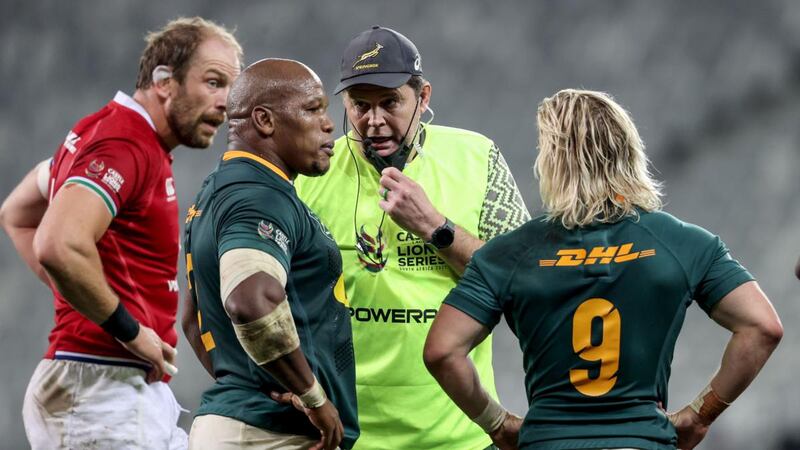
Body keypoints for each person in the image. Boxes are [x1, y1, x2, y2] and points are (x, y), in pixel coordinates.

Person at [423, 89, 783, 450]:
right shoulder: (683, 243)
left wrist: (497, 423)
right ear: (630, 151)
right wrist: (701, 414)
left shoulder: (511, 253)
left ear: (551, 161)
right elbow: (762, 327)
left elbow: (442, 351)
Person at [0, 17, 242, 449]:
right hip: (97, 389)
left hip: (108, 387)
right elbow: (56, 244)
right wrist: (128, 329)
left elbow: (17, 213)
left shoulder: (110, 134)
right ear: (164, 82)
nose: (225, 102)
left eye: (230, 88)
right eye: (213, 82)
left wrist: (82, 289)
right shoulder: (124, 144)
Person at [293, 26, 530, 450]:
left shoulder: (477, 157)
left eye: (390, 102)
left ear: (423, 98)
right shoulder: (310, 172)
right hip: (347, 436)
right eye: (360, 105)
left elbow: (525, 283)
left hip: (462, 437)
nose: (375, 121)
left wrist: (435, 227)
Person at [182, 58, 359, 450]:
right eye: (312, 109)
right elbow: (250, 300)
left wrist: (253, 387)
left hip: (244, 428)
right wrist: (312, 397)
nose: (328, 124)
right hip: (267, 436)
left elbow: (193, 322)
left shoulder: (219, 192)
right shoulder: (259, 196)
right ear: (264, 120)